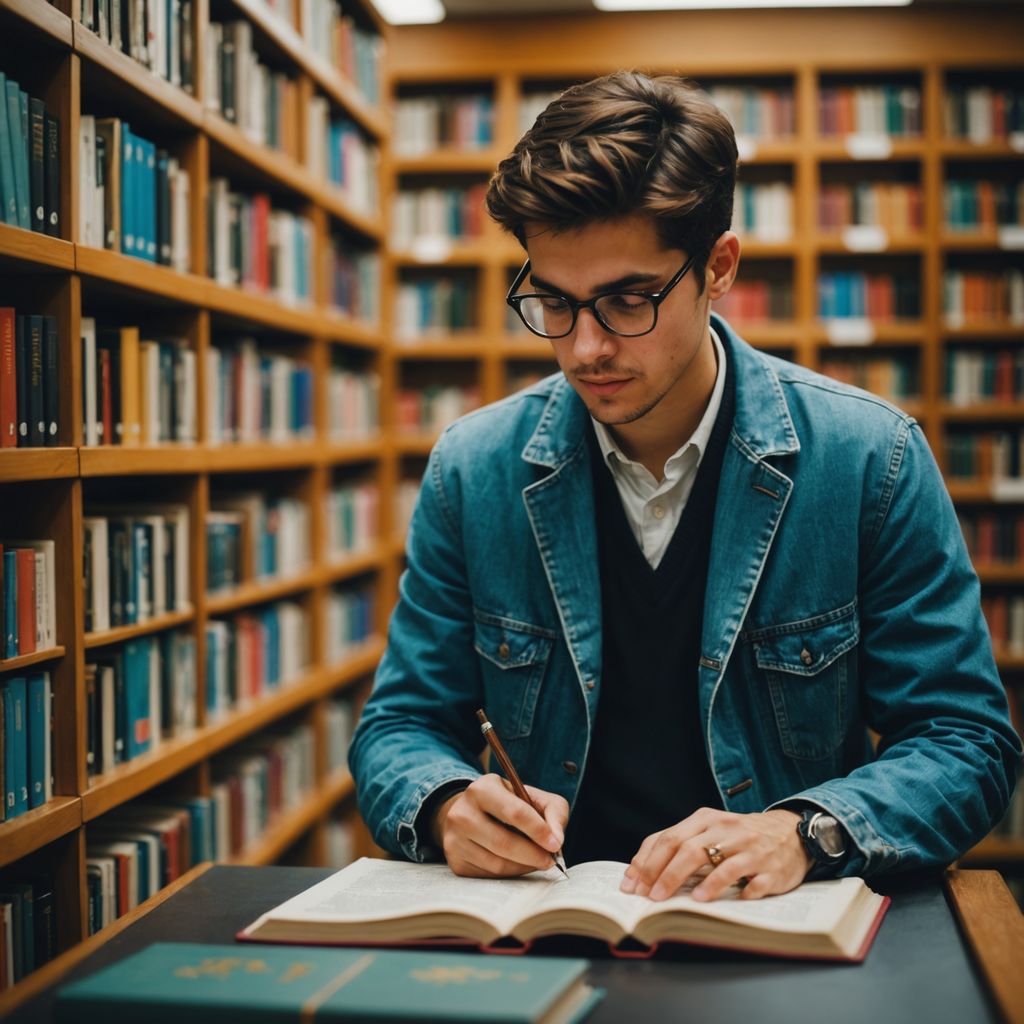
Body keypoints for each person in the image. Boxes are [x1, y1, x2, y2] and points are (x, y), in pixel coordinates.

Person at [350, 71, 1021, 903]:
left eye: (628, 300)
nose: (586, 347)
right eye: (553, 302)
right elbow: (399, 727)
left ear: (719, 267)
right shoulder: (473, 468)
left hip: (776, 927)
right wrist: (448, 804)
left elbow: (967, 741)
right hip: (548, 924)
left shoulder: (868, 459)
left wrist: (806, 828)